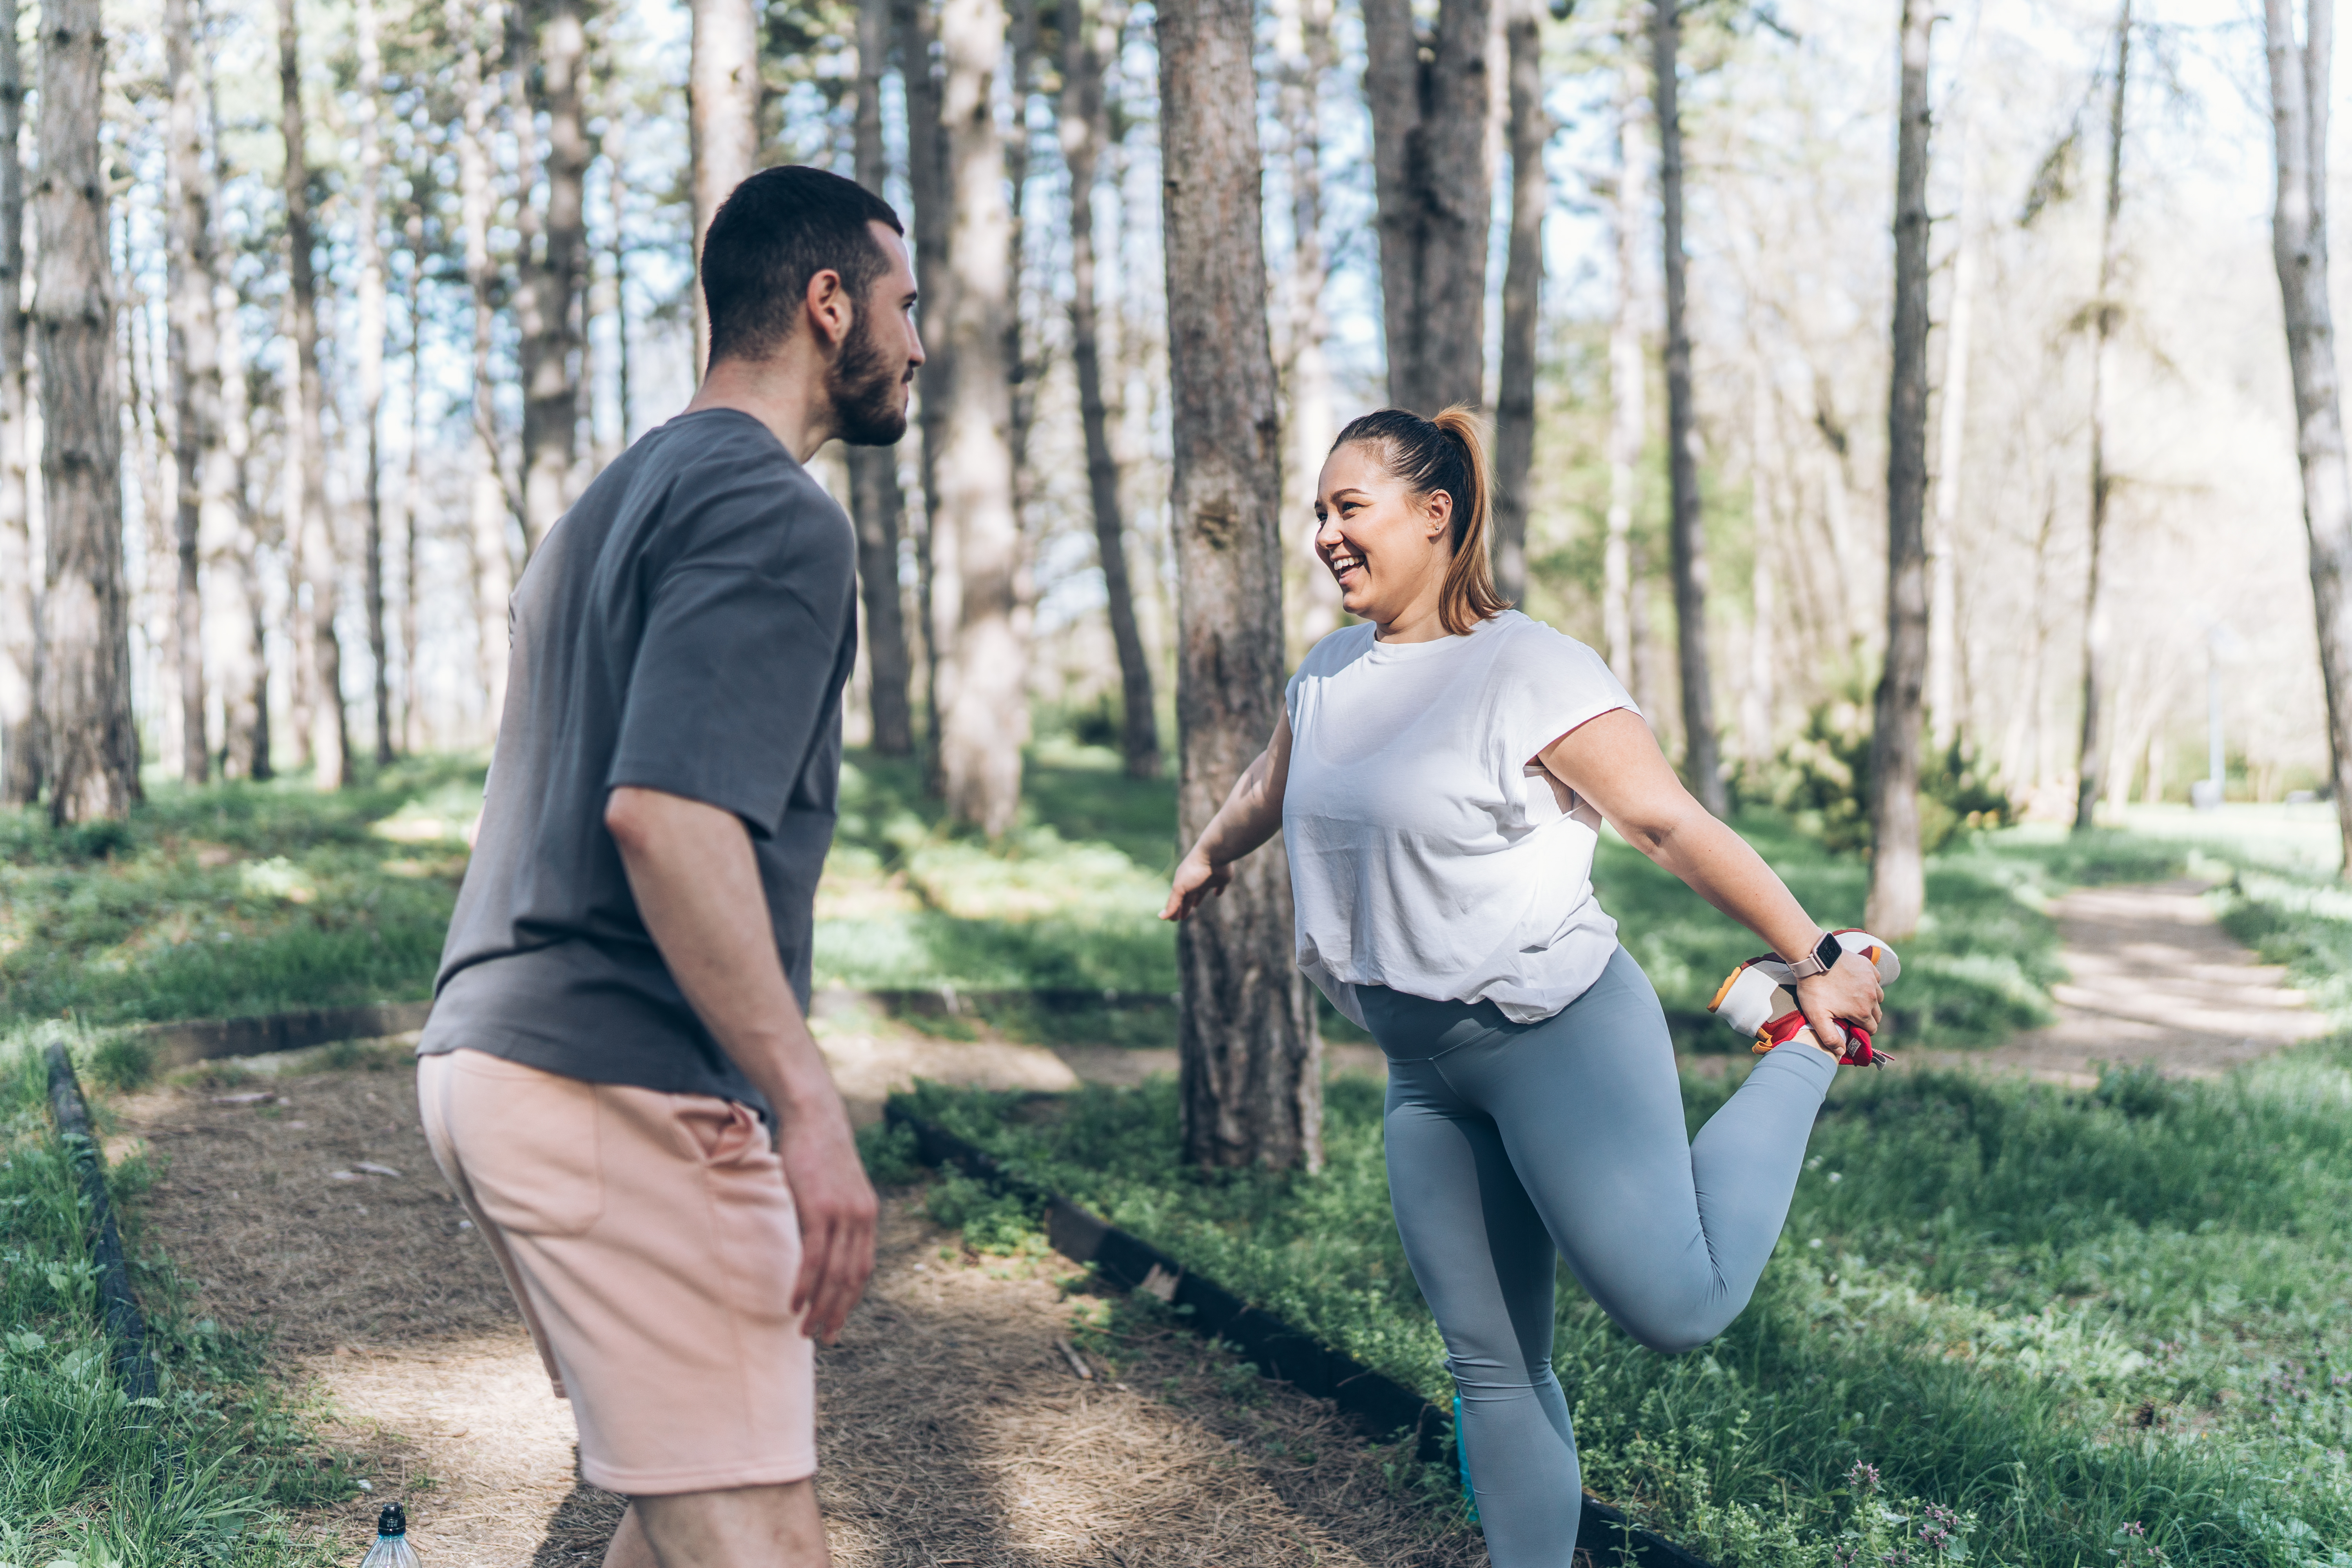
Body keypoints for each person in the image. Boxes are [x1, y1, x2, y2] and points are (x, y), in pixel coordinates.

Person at [1159, 406, 1888, 1568]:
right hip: (1423, 1069)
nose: (1327, 534)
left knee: (1681, 1309)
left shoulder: (1528, 666)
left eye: (1349, 507)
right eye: (1320, 513)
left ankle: (1801, 1047)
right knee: (1493, 1367)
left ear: (1435, 514)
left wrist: (1816, 957)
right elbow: (1276, 775)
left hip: (1558, 1039)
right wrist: (1211, 852)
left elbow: (1662, 820)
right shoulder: (1331, 672)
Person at [414, 166, 922, 1568]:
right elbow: (665, 816)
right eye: (903, 303)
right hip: (617, 1081)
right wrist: (809, 1111)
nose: (918, 344)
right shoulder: (773, 510)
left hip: (488, 1065)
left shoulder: (603, 506)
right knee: (762, 1537)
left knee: (687, 1509)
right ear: (831, 307)